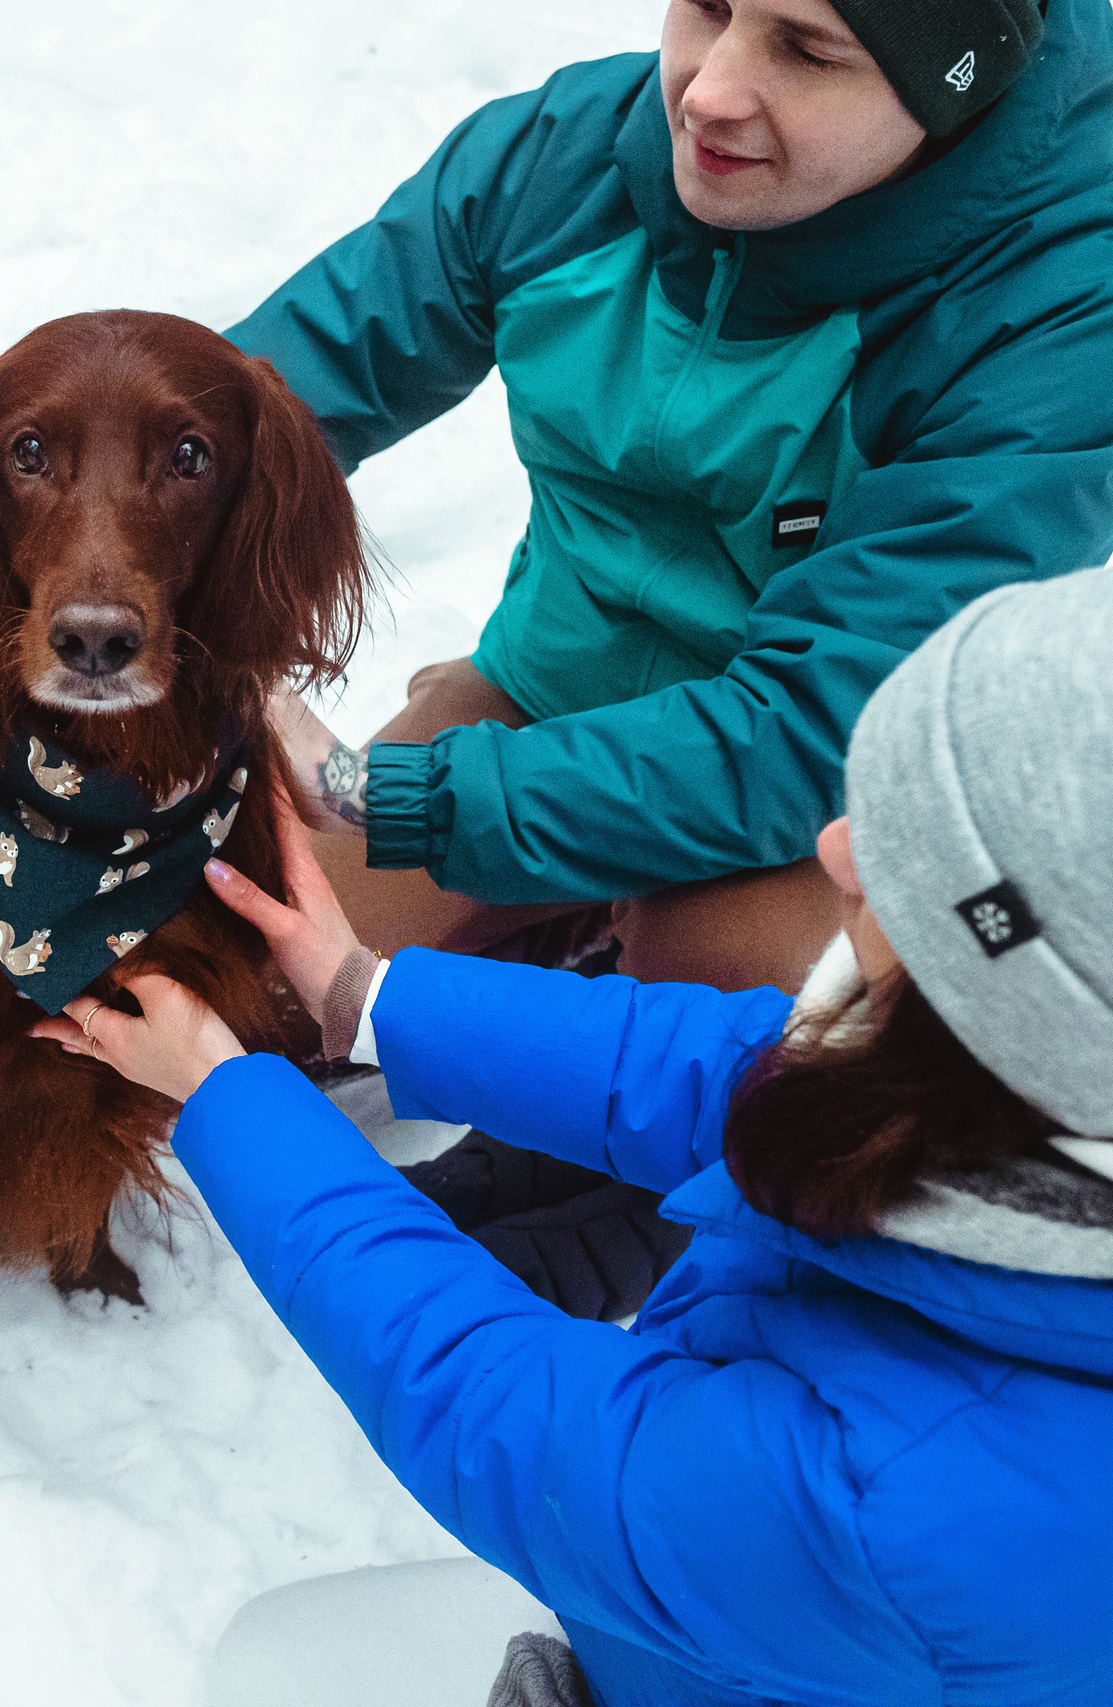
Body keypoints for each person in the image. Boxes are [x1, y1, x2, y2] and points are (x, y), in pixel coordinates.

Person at [40, 562, 1113, 1705]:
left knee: (268, 1666)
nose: (841, 845)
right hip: (749, 1612)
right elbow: (721, 1069)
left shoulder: (920, 1510)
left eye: (912, 857)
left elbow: (497, 1409)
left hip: (704, 1643)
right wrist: (373, 998)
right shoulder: (1007, 1093)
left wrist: (226, 1094)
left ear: (1020, 1012)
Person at [223, 0, 1113, 1318]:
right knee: (252, 947)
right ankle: (553, 956)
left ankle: (643, 1183)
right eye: (705, 7)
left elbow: (804, 728)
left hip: (825, 813)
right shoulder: (576, 154)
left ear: (952, 87)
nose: (708, 91)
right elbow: (264, 404)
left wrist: (394, 794)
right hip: (549, 693)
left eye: (807, 50)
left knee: (725, 993)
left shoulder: (1052, 310)